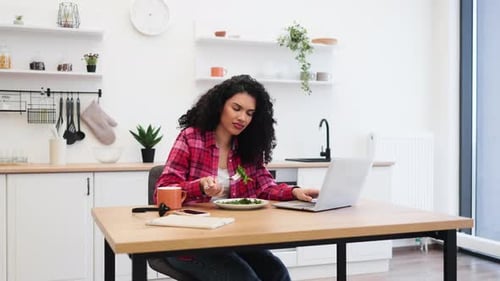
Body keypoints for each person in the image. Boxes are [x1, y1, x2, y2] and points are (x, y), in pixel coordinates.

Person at [155, 74, 319, 281]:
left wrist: (294, 191)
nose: (243, 118)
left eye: (250, 113)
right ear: (220, 105)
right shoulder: (190, 137)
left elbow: (265, 187)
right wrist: (200, 187)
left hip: (232, 238)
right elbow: (162, 192)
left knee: (277, 273)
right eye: (236, 108)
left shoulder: (247, 147)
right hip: (189, 242)